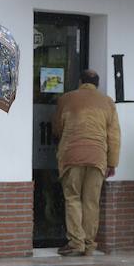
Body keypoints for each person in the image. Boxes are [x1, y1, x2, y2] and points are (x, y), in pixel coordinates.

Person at [52, 69, 120, 256]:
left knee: (72, 198)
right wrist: (112, 162)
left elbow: (57, 128)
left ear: (80, 81)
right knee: (91, 201)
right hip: (98, 158)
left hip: (71, 156)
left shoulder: (66, 99)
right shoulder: (107, 102)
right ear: (97, 84)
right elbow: (114, 136)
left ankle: (76, 242)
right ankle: (89, 243)